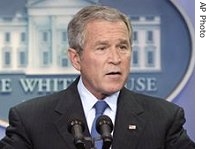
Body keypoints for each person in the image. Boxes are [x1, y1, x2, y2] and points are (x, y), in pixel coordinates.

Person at [0, 5, 194, 149]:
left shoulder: (164, 119)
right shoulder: (31, 120)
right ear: (76, 59)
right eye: (102, 48)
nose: (116, 58)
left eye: (122, 47)